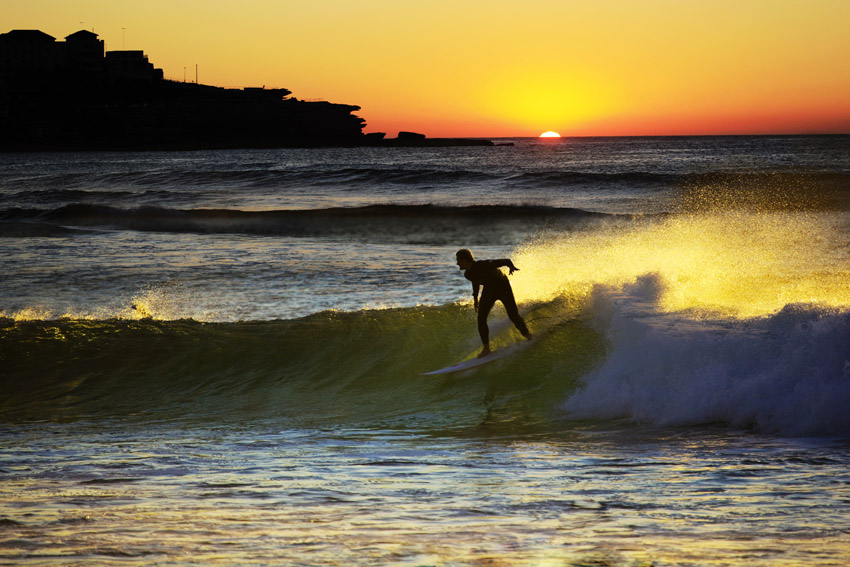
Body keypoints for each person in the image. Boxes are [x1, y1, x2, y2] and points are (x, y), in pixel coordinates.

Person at [455, 248, 532, 358]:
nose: (457, 263)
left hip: (503, 287)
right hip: (489, 290)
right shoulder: (468, 274)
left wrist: (511, 267)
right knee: (481, 319)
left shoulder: (483, 265)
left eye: (458, 260)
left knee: (513, 315)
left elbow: (506, 260)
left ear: (465, 260)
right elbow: (475, 281)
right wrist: (475, 298)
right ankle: (486, 349)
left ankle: (528, 335)